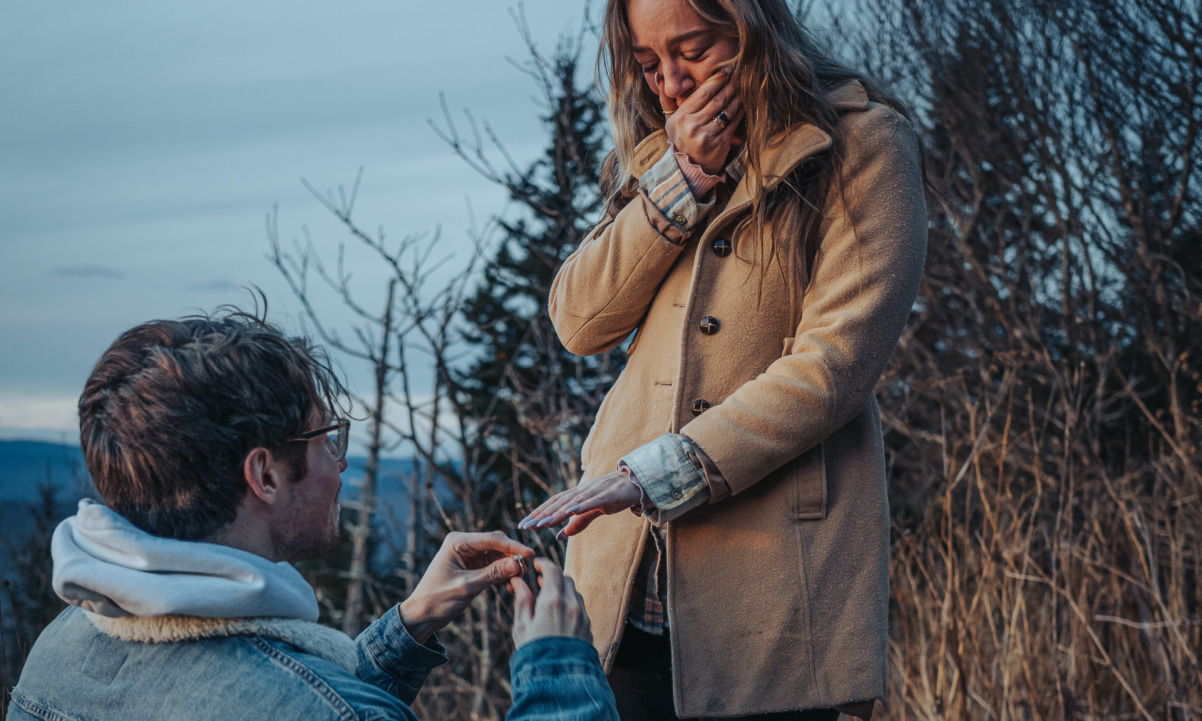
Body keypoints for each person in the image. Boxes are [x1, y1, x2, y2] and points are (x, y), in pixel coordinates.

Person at [518, 0, 929, 719]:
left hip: (772, 587)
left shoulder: (866, 145)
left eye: (695, 50)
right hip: (624, 581)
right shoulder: (659, 160)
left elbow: (832, 367)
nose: (672, 83)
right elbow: (578, 321)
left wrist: (657, 471)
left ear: (754, 28)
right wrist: (681, 182)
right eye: (649, 64)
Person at [9, 313, 617, 721]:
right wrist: (556, 666)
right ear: (266, 475)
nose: (339, 466)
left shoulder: (62, 645)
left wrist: (406, 629)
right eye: (327, 439)